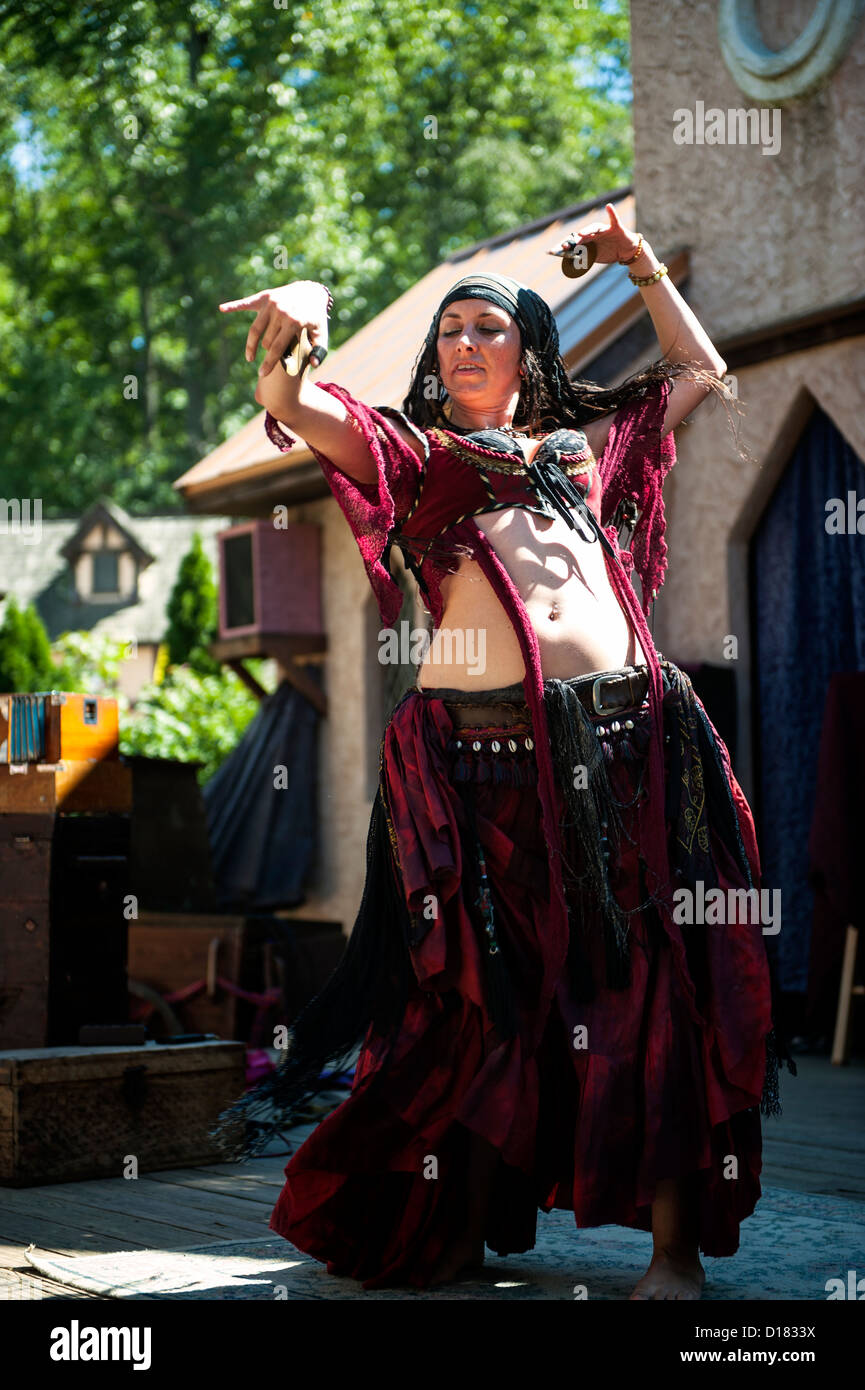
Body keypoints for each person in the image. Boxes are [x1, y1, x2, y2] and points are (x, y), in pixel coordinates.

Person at [214, 204, 794, 1299]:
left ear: (530, 348)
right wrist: (303, 323)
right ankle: (449, 1221)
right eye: (447, 335)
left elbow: (699, 370)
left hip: (629, 752)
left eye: (486, 327)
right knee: (473, 1000)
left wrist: (638, 266)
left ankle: (672, 1257)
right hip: (470, 773)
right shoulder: (416, 457)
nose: (463, 345)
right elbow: (291, 403)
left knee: (649, 987)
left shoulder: (594, 449)